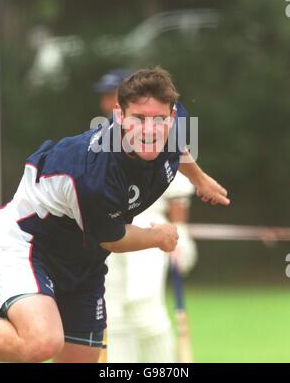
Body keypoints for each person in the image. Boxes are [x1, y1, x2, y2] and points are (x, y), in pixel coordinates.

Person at [0, 67, 230, 363]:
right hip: (28, 243)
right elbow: (114, 239)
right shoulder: (96, 175)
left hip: (84, 260)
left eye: (159, 120)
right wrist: (161, 237)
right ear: (119, 116)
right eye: (139, 120)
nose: (149, 129)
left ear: (172, 117)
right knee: (41, 343)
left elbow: (176, 146)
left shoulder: (174, 121)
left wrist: (200, 179)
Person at [93, 69, 198, 362]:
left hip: (150, 225)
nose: (105, 100)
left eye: (111, 93)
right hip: (110, 229)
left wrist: (182, 231)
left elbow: (177, 190)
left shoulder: (160, 136)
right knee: (114, 312)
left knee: (144, 309)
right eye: (105, 95)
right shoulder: (101, 137)